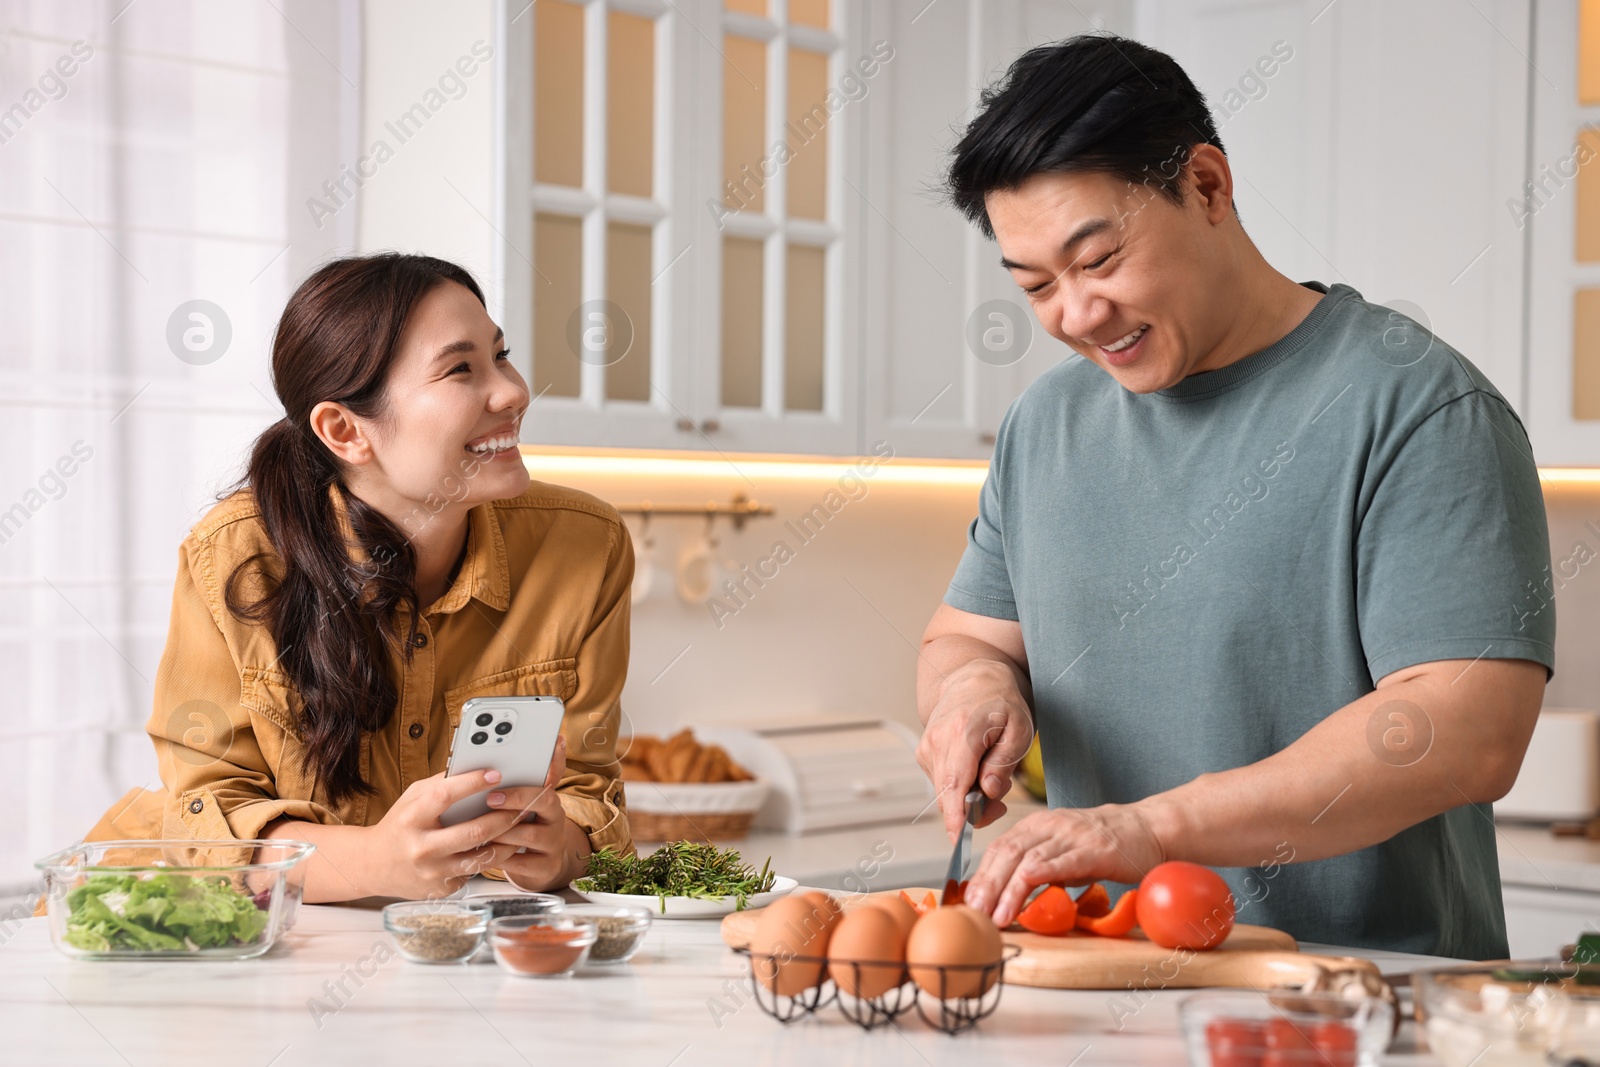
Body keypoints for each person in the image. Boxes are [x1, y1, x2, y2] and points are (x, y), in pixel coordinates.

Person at [916, 34, 1553, 957]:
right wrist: (974, 689)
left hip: (1361, 999)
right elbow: (966, 635)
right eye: (1037, 286)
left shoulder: (1417, 403)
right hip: (1101, 987)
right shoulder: (1045, 425)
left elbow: (1468, 728)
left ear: (1207, 187)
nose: (1076, 315)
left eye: (1098, 260)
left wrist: (1151, 830)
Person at [84, 253, 633, 901]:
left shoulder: (585, 545)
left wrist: (556, 848)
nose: (514, 391)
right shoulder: (235, 555)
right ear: (344, 429)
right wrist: (376, 861)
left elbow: (592, 794)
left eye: (501, 355)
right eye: (461, 368)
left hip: (449, 950)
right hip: (199, 924)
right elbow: (205, 813)